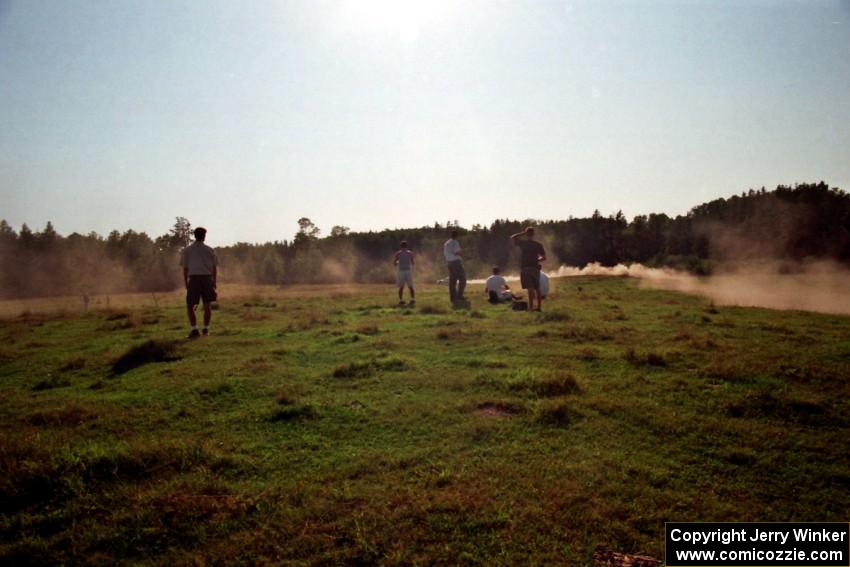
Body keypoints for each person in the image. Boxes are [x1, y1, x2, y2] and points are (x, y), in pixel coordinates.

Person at [180, 227, 218, 338]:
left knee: (190, 306)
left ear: (194, 235)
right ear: (204, 236)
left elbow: (185, 269)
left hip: (194, 279)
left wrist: (186, 283)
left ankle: (194, 329)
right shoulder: (210, 250)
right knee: (207, 305)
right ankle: (206, 329)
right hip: (207, 278)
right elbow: (214, 268)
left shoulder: (187, 250)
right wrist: (214, 282)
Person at [510, 226, 546, 311]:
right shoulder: (538, 245)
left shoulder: (523, 243)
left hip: (526, 268)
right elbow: (544, 258)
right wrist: (537, 260)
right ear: (533, 234)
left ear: (526, 234)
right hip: (535, 268)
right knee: (537, 288)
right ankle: (539, 307)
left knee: (530, 289)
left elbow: (513, 237)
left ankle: (530, 308)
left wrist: (523, 233)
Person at [443, 229, 467, 303]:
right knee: (463, 279)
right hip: (456, 262)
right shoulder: (455, 242)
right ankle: (460, 295)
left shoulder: (447, 243)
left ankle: (453, 297)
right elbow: (456, 252)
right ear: (456, 236)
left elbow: (445, 253)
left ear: (451, 235)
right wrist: (461, 253)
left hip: (449, 262)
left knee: (452, 281)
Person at [393, 241, 415, 305]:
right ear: (406, 246)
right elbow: (413, 263)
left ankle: (401, 300)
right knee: (410, 286)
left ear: (401, 246)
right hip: (408, 270)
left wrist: (399, 262)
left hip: (401, 271)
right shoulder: (410, 253)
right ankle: (412, 299)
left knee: (401, 287)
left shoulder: (398, 253)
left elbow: (394, 263)